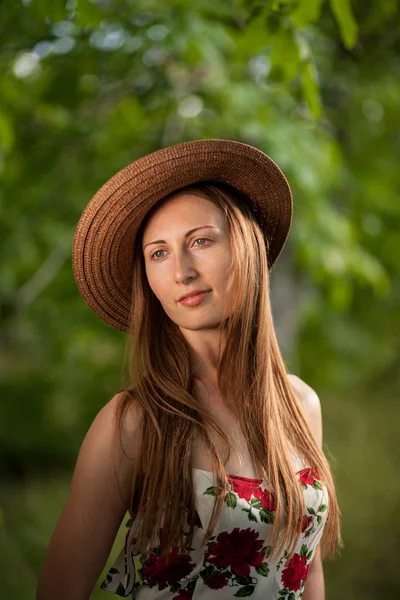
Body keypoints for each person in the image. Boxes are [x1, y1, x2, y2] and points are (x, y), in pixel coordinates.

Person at [36, 139, 343, 600]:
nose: (181, 271)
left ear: (248, 246)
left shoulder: (301, 405)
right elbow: (59, 589)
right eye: (158, 253)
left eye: (200, 241)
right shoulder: (134, 423)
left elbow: (307, 570)